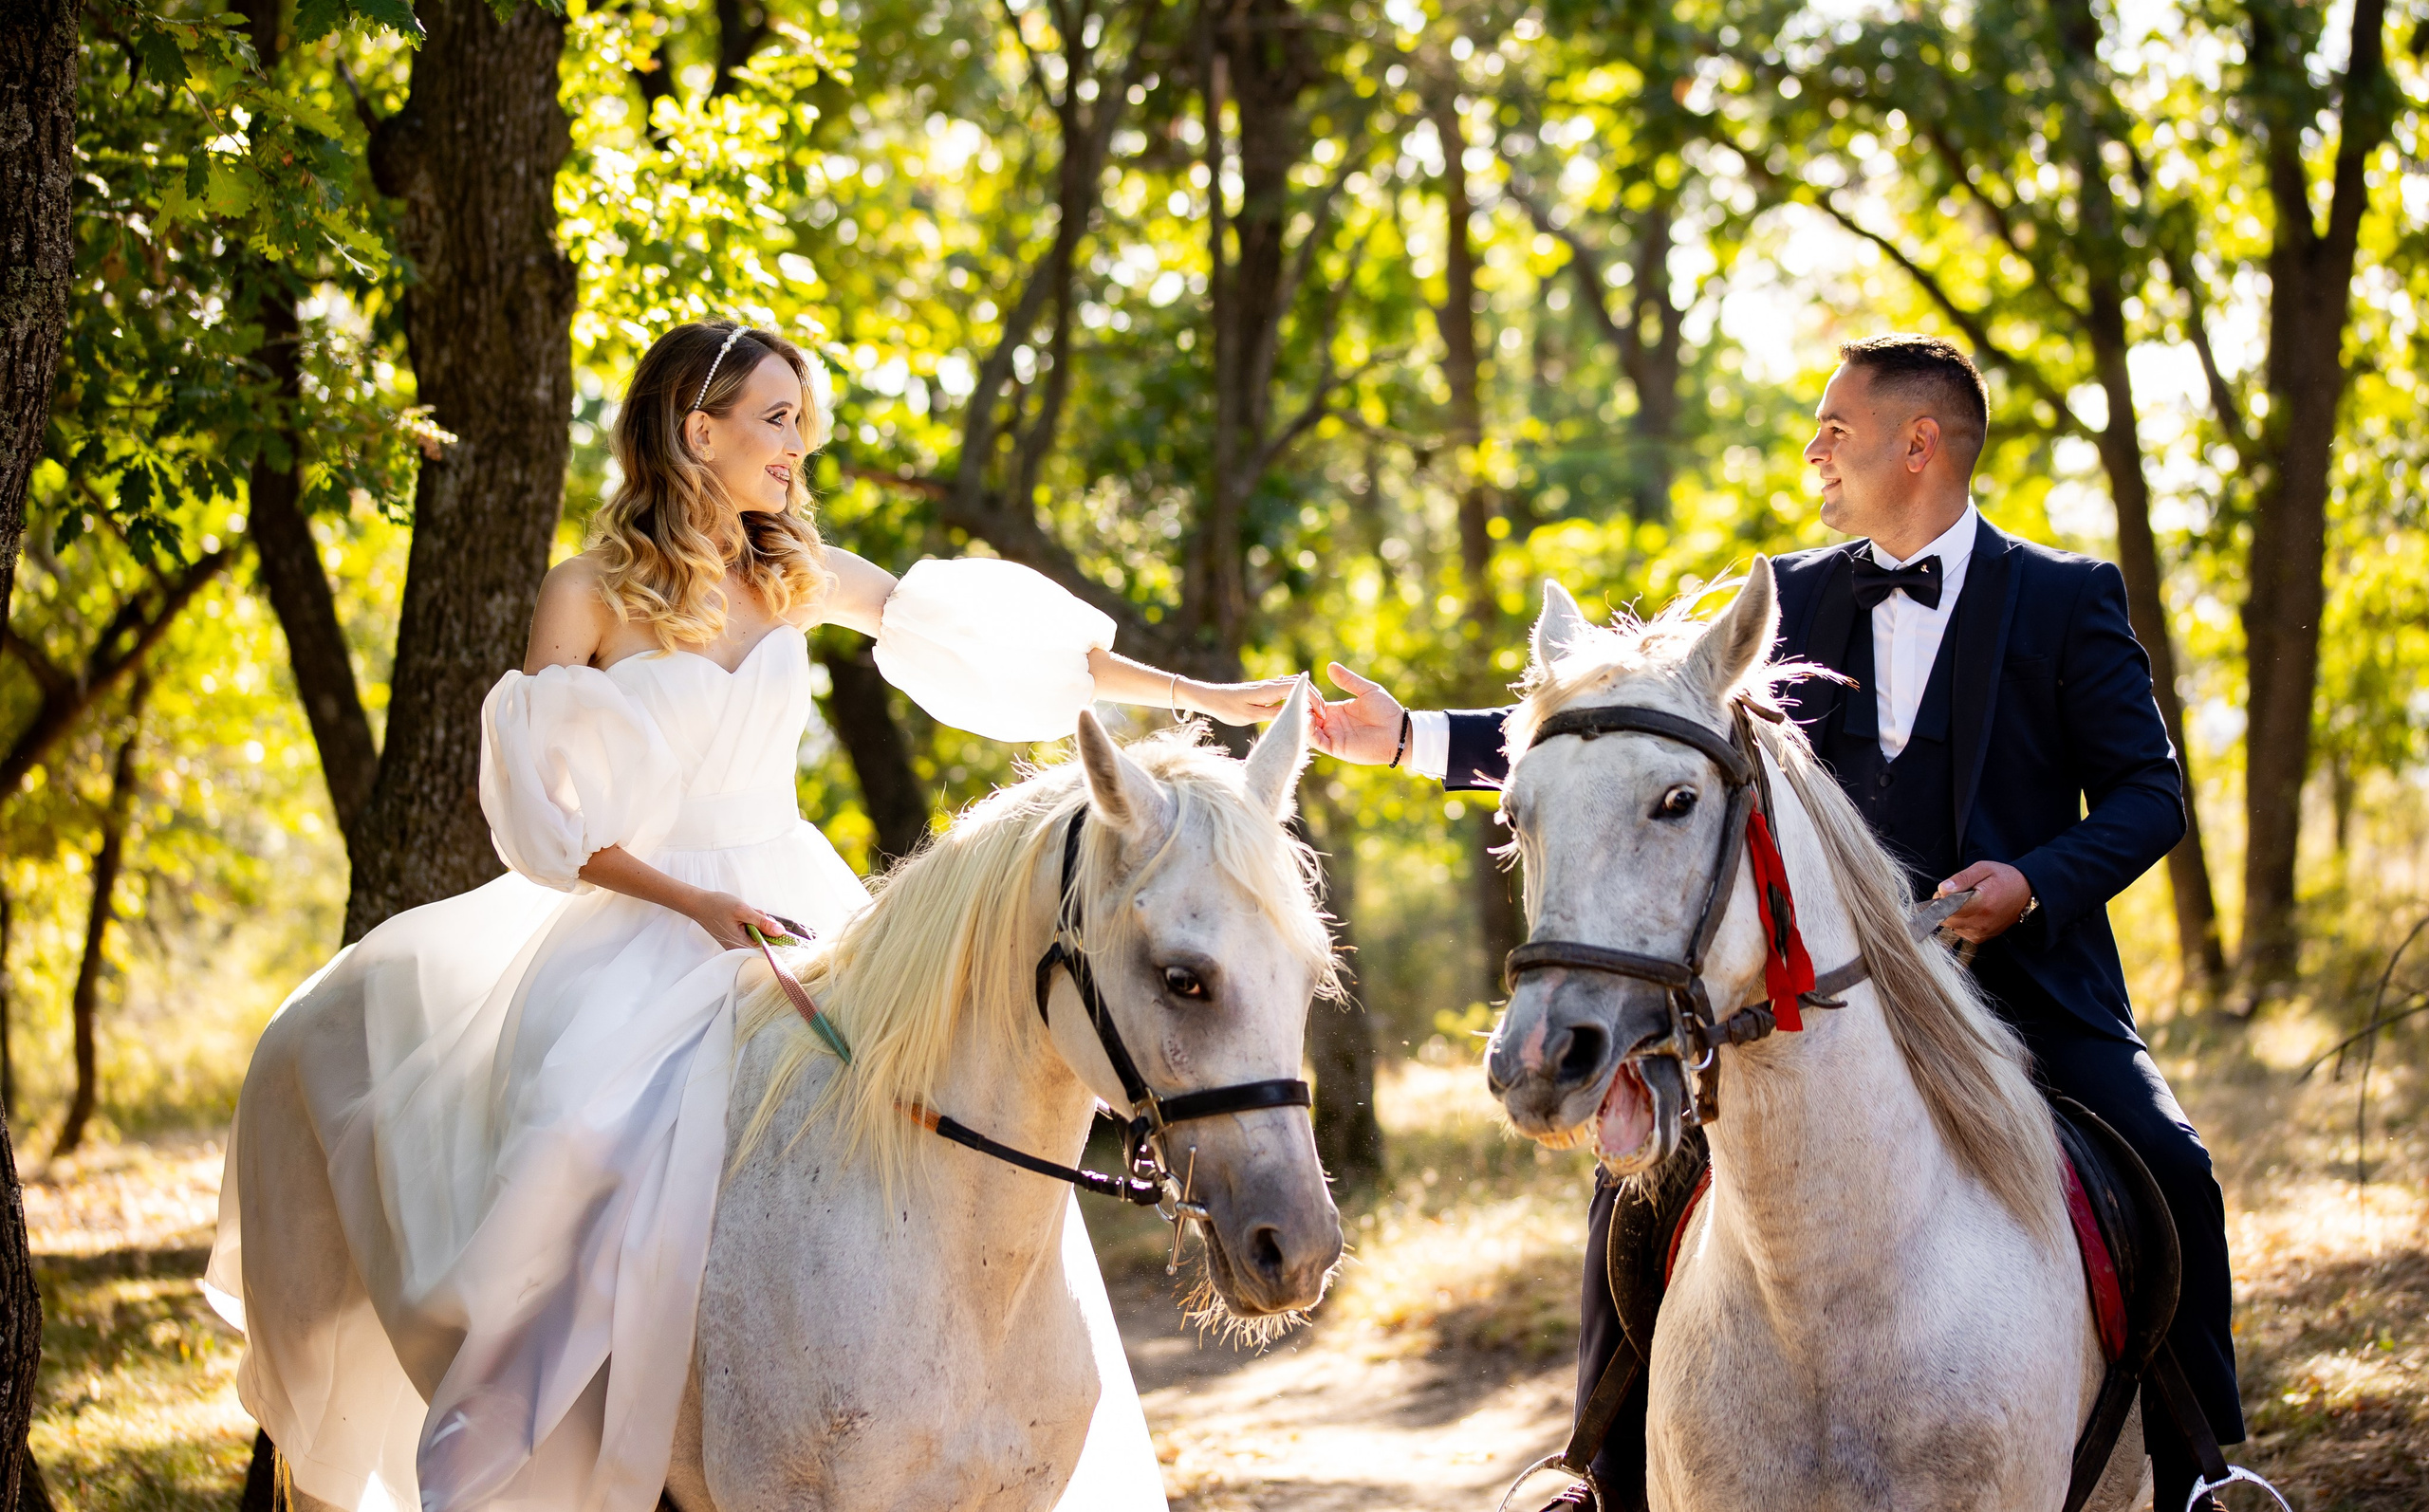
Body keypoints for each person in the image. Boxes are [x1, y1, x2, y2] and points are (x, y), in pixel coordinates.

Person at [205, 320, 1295, 1512]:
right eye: (777, 422)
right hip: (642, 923)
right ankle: (534, 1464)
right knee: (571, 1150)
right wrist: (691, 901)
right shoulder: (586, 595)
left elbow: (992, 651)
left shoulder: (795, 574)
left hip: (795, 910)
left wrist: (1200, 694)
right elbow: (543, 823)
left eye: (800, 425)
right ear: (696, 430)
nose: (796, 449)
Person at [1308, 334, 2242, 1512]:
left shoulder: (2066, 597)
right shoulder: (1785, 599)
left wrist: (2035, 881)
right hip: (1799, 1004)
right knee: (1630, 1189)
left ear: (1919, 444)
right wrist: (1407, 739)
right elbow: (1641, 739)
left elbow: (2151, 794)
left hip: (2025, 991)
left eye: (1833, 429)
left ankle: (2210, 1474)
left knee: (2173, 1165)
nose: (1812, 451)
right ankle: (1594, 1471)